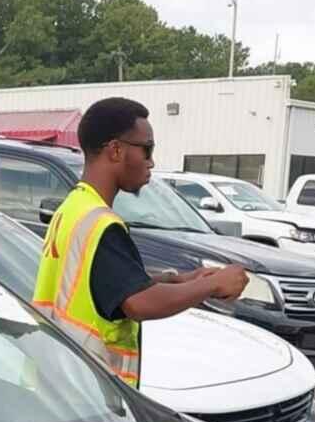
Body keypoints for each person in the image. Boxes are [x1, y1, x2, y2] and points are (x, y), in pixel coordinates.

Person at [33, 97, 249, 386]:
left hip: (57, 377)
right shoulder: (102, 225)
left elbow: (106, 283)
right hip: (89, 391)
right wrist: (211, 284)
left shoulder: (73, 208)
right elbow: (139, 303)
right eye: (147, 149)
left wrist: (181, 280)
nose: (151, 162)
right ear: (116, 150)